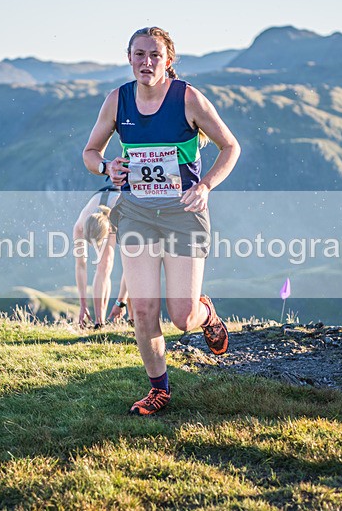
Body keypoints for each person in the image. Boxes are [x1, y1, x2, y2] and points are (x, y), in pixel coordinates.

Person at [82, 26, 241, 415]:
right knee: (143, 310)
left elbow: (230, 147)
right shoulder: (117, 101)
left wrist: (204, 187)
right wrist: (107, 167)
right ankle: (160, 389)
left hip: (183, 213)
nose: (146, 62)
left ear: (169, 61)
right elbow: (90, 152)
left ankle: (206, 313)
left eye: (154, 55)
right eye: (139, 54)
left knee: (182, 317)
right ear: (129, 58)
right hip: (136, 212)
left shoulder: (188, 98)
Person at [73, 185, 129, 328]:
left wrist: (120, 302)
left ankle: (133, 319)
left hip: (119, 204)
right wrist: (83, 304)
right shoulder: (80, 226)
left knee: (107, 263)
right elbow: (80, 265)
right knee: (102, 265)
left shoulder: (122, 219)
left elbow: (131, 268)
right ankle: (100, 321)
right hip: (101, 201)